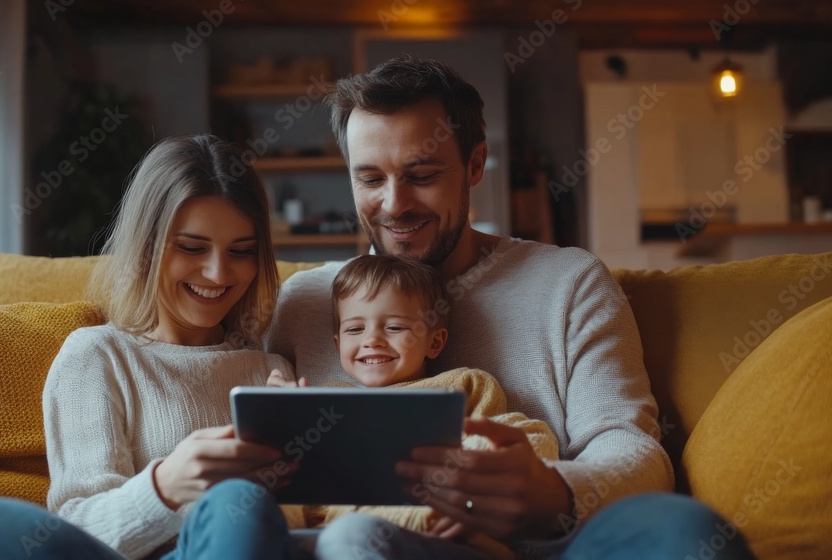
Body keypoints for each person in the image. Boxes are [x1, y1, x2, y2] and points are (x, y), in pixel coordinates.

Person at [265, 55, 757, 559]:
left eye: (423, 174)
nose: (395, 204)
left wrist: (552, 494)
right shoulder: (305, 300)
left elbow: (635, 452)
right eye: (370, 179)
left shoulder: (568, 282)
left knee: (685, 532)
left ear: (475, 164)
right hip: (359, 546)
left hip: (539, 548)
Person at [0, 134, 311, 560]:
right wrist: (164, 487)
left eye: (241, 251)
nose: (217, 273)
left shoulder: (271, 373)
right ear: (145, 247)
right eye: (192, 247)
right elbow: (78, 526)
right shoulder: (97, 356)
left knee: (234, 504)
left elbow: (294, 522)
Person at [269, 254, 560, 560]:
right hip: (334, 537)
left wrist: (465, 499)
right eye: (355, 330)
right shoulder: (325, 402)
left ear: (435, 342)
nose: (372, 340)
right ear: (338, 342)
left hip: (445, 540)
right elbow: (302, 492)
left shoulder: (463, 386)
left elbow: (521, 445)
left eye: (394, 328)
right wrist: (284, 418)